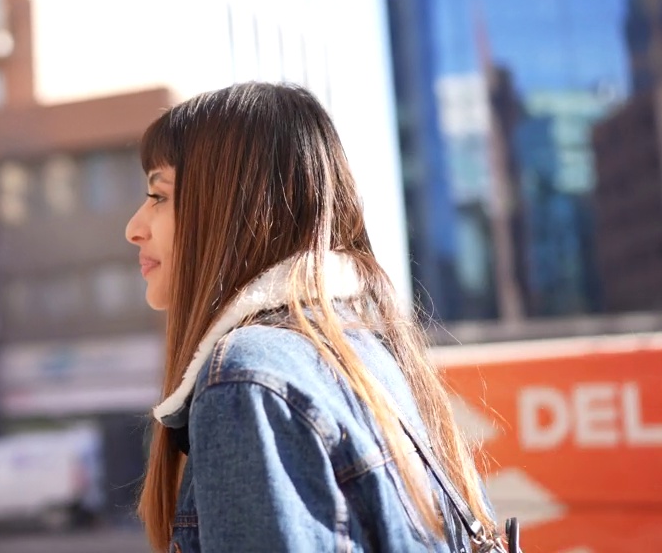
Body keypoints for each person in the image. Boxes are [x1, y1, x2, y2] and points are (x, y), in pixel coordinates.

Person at [126, 83, 505, 552]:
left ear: (232, 205)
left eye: (158, 195)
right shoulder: (365, 352)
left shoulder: (248, 378)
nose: (134, 228)